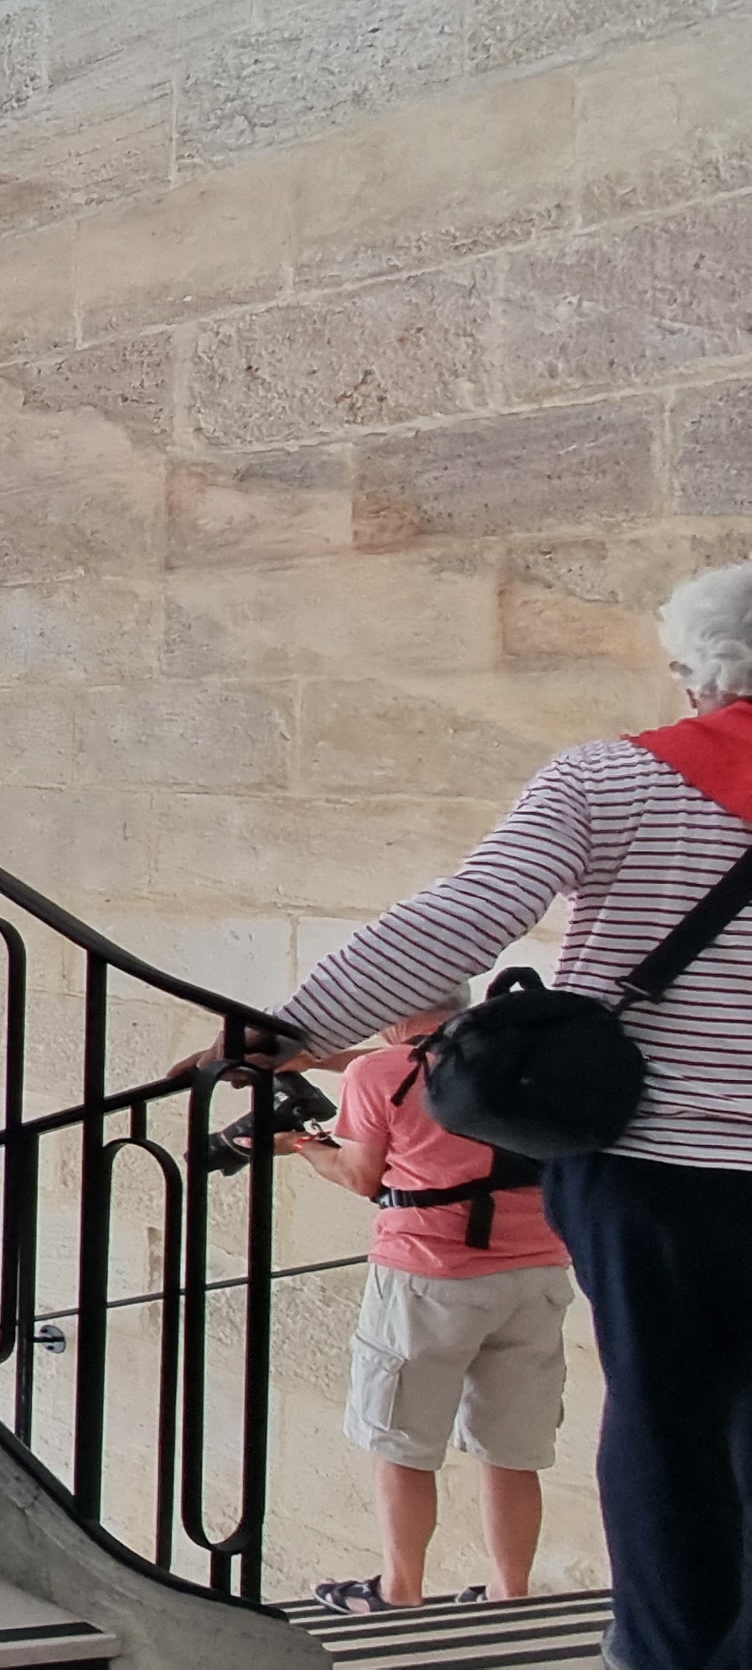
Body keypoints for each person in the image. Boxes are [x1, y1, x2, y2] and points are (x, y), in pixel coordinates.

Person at [256, 558, 752, 1670]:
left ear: (697, 674)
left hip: (655, 1169)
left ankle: (667, 1651)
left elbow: (464, 916)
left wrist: (283, 1031)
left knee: (666, 1412)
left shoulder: (613, 778)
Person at [281, 1000, 572, 1615]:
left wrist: (304, 1146)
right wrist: (324, 1059)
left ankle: (399, 1592)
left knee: (402, 1441)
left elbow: (362, 1176)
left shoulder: (380, 1074)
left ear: (394, 1007)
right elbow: (416, 1064)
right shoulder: (520, 1056)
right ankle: (509, 1596)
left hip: (428, 1278)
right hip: (537, 1271)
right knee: (512, 1450)